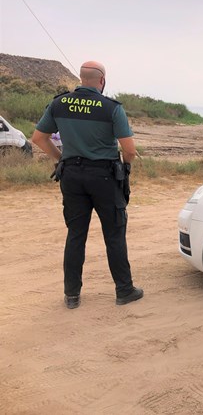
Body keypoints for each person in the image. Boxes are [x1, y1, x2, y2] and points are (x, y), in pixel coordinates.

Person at [32, 60, 143, 309]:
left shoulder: (59, 103)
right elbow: (130, 150)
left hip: (71, 176)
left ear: (82, 79)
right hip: (104, 178)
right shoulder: (111, 108)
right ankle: (124, 290)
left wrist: (62, 159)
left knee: (76, 235)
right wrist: (124, 169)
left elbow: (39, 138)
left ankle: (72, 296)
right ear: (102, 80)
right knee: (114, 234)